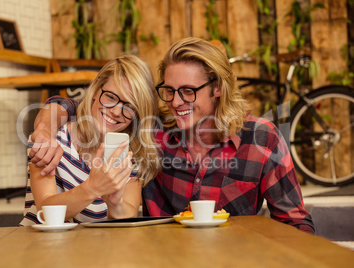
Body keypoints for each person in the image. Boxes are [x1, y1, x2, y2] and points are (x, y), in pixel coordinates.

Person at [28, 37, 314, 234]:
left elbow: (296, 223)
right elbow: (79, 107)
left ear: (217, 89)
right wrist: (43, 130)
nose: (176, 102)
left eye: (188, 91)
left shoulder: (261, 140)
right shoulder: (154, 131)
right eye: (169, 91)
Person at [19, 55, 161, 225]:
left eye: (129, 106)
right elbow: (46, 211)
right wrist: (92, 188)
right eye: (111, 97)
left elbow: (127, 214)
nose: (116, 111)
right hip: (38, 247)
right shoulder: (52, 139)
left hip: (89, 250)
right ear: (95, 91)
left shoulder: (130, 155)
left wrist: (115, 205)